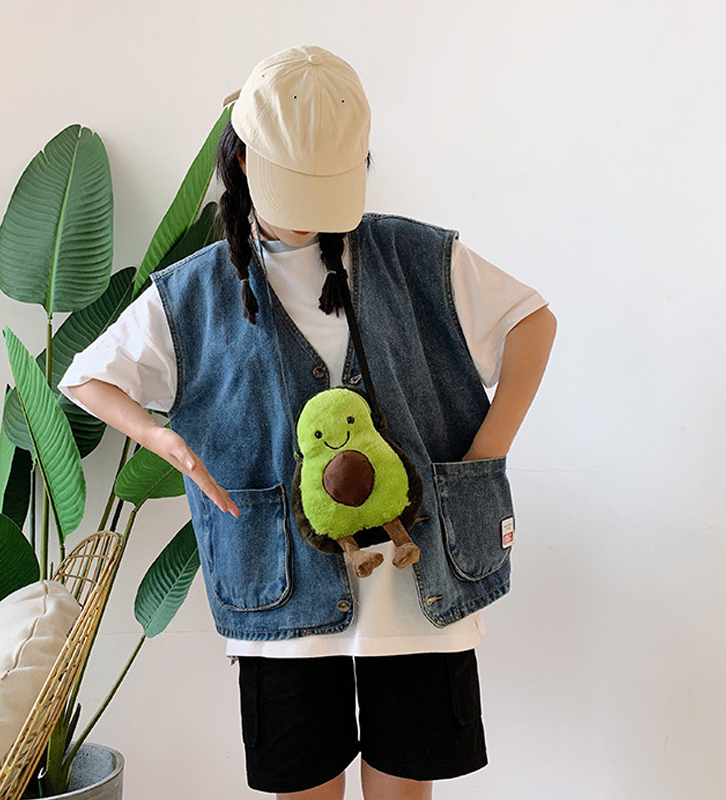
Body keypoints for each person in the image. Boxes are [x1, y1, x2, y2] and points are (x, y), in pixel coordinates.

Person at [59, 44, 556, 800]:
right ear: (243, 162)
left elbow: (531, 322)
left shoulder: (418, 257)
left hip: (417, 584)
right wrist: (162, 438)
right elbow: (88, 376)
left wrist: (485, 453)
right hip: (279, 591)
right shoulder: (194, 293)